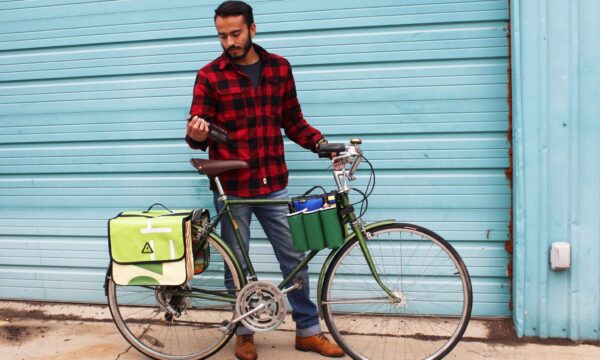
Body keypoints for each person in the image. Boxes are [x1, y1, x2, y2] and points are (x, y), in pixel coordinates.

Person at [185, 2, 344, 360]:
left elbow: (293, 120)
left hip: (273, 183)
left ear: (252, 29)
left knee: (294, 258)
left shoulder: (279, 68)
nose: (229, 42)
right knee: (236, 265)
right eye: (222, 35)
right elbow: (197, 134)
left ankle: (308, 331)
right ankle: (244, 331)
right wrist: (195, 133)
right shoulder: (209, 75)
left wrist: (320, 143)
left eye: (236, 34)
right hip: (233, 187)